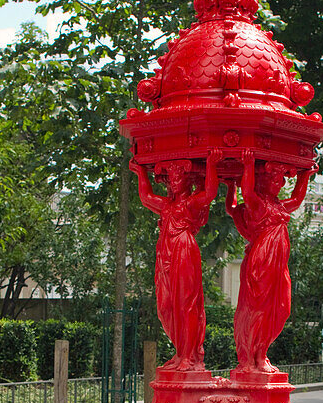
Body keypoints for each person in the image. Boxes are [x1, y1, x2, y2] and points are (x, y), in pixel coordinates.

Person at [131, 152, 220, 370]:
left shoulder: (189, 204)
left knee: (186, 304)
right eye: (171, 178)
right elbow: (146, 197)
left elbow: (209, 192)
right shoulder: (167, 207)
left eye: (178, 177)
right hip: (166, 254)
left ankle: (188, 356)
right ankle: (180, 352)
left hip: (184, 251)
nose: (174, 182)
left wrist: (211, 164)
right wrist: (140, 171)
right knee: (166, 305)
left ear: (187, 182)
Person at [227, 153, 313, 373]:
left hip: (278, 266)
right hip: (263, 262)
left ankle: (261, 353)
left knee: (281, 307)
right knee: (259, 308)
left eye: (280, 181)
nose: (278, 184)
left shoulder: (279, 206)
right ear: (264, 182)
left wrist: (305, 176)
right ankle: (253, 356)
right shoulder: (259, 205)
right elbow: (245, 193)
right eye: (273, 180)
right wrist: (246, 165)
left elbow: (296, 200)